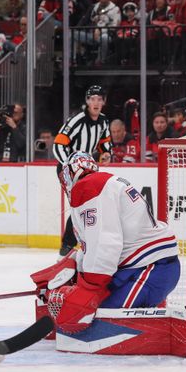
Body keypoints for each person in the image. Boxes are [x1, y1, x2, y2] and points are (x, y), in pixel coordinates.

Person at [31, 152, 180, 351]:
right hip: (141, 267)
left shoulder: (90, 187)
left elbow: (106, 242)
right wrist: (71, 268)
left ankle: (151, 311)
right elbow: (93, 243)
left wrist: (88, 288)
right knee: (91, 309)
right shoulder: (100, 184)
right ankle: (147, 305)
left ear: (69, 174)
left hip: (151, 270)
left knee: (96, 317)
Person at [53, 85, 112, 256]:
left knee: (89, 204)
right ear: (87, 101)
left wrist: (106, 154)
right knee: (80, 205)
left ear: (104, 102)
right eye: (92, 98)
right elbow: (59, 144)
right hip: (68, 169)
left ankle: (78, 243)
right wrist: (68, 165)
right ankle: (68, 246)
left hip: (87, 169)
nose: (96, 102)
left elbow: (104, 143)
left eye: (99, 99)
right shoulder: (77, 120)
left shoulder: (103, 121)